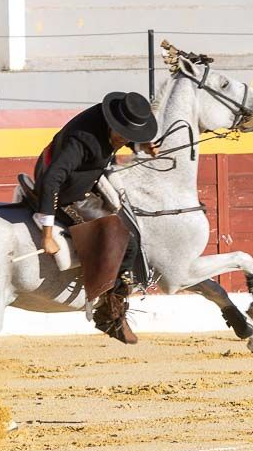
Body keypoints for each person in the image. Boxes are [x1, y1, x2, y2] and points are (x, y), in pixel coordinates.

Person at [32, 92, 160, 345]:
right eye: (124, 137)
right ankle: (109, 315)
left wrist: (139, 145)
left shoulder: (113, 118)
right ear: (112, 124)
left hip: (84, 173)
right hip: (69, 190)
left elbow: (116, 140)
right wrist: (47, 233)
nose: (124, 142)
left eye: (129, 138)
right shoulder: (82, 140)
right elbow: (52, 180)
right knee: (126, 241)